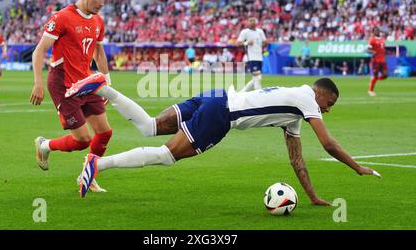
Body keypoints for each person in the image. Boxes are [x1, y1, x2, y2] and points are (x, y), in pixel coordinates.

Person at [67, 74, 381, 200]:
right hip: (221, 116)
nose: (328, 110)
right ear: (321, 94)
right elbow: (328, 143)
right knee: (166, 156)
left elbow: (296, 158)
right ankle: (99, 165)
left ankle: (103, 87)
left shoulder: (295, 109)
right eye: (330, 104)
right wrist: (358, 167)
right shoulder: (308, 100)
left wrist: (312, 197)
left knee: (150, 126)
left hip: (216, 97)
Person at [29, 0, 113, 193]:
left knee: (104, 133)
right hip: (62, 83)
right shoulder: (62, 18)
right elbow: (39, 50)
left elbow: (99, 50)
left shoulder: (98, 21)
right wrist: (38, 82)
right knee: (83, 139)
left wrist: (107, 80)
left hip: (86, 81)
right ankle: (45, 145)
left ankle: (88, 175)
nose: (101, 3)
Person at [237, 17, 267, 92]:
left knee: (257, 78)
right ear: (247, 22)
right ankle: (259, 93)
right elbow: (238, 43)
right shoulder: (245, 32)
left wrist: (263, 45)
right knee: (257, 77)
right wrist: (246, 43)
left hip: (259, 57)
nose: (252, 22)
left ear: (256, 22)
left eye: (254, 21)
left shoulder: (260, 31)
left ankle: (241, 92)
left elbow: (265, 41)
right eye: (250, 21)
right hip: (251, 57)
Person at [366, 26, 388, 97]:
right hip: (376, 61)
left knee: (385, 75)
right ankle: (370, 90)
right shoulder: (372, 40)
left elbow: (382, 49)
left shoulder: (382, 39)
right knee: (375, 75)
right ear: (373, 32)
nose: (377, 31)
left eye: (378, 30)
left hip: (383, 61)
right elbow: (367, 50)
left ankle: (374, 79)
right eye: (375, 30)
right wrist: (373, 52)